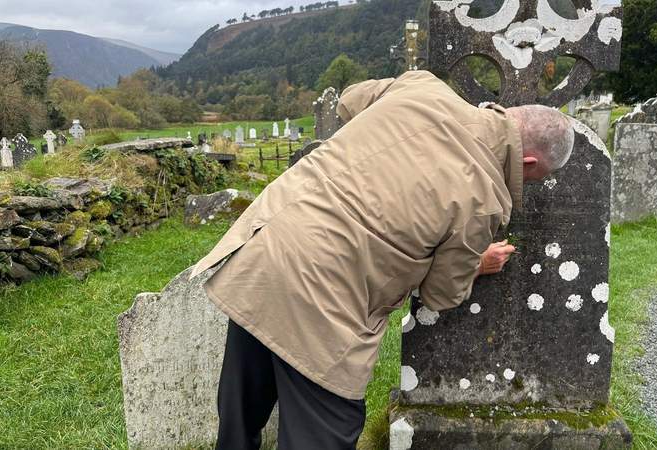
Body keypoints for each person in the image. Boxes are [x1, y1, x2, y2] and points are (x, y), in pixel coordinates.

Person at [188, 70, 574, 450]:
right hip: (325, 299)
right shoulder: (484, 200)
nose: (531, 186)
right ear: (526, 164)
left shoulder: (422, 86)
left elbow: (349, 99)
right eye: (537, 179)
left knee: (240, 420)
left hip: (265, 247)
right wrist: (479, 262)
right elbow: (441, 294)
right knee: (330, 427)